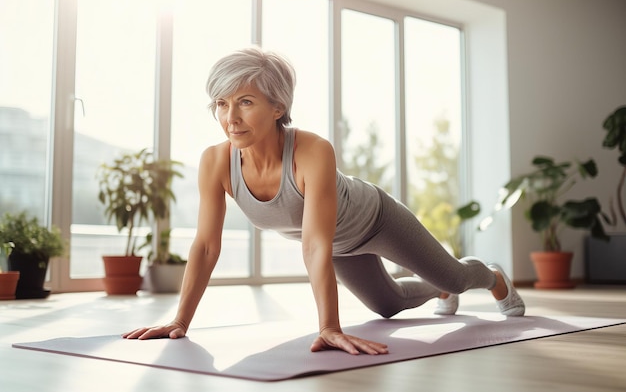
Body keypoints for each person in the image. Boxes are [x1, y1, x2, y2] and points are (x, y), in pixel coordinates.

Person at [123, 47, 525, 355]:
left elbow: (315, 242)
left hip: (376, 221)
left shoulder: (312, 150)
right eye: (221, 104)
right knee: (387, 307)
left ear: (278, 106)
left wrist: (328, 326)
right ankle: (437, 289)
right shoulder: (215, 161)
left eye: (245, 102)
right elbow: (207, 246)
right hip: (339, 245)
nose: (231, 117)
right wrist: (180, 321)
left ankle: (491, 276)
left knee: (454, 276)